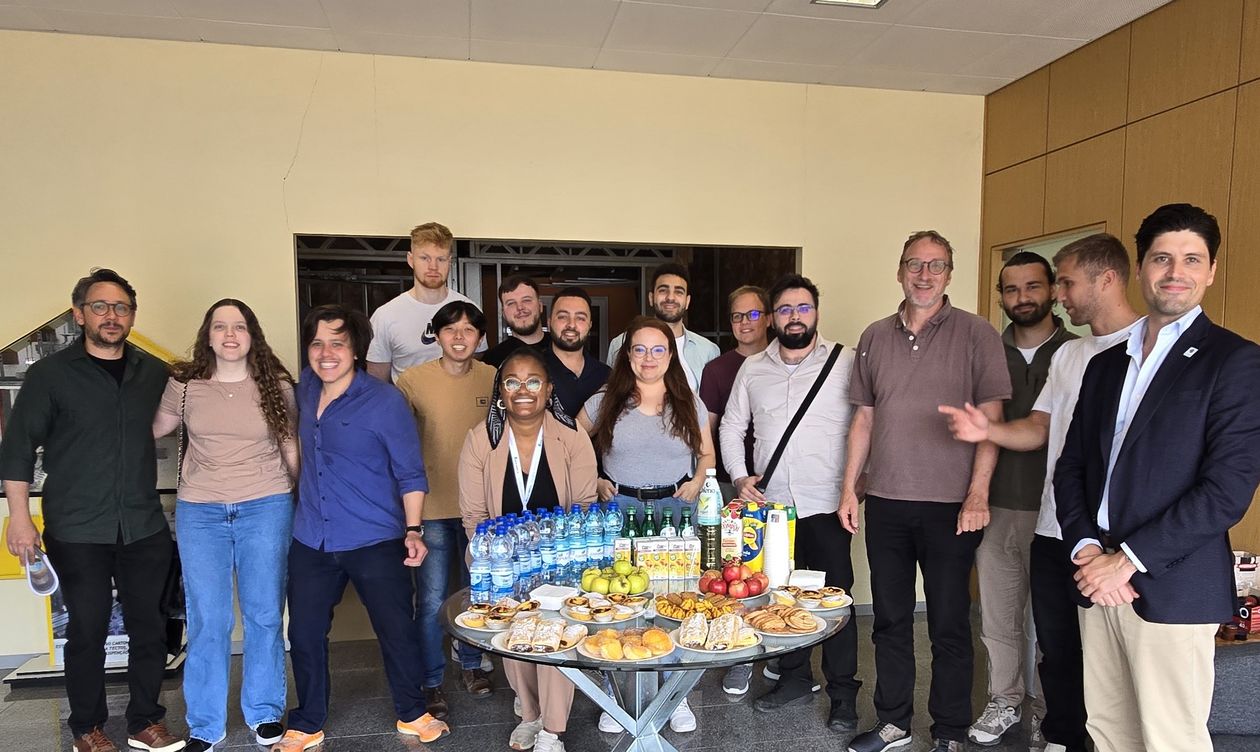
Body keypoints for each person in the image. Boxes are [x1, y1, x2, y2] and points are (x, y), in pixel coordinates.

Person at [1053, 204, 1260, 752]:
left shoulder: (1234, 362)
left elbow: (1226, 491)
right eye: (1162, 258)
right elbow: (1072, 466)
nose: (1176, 272)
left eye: (1192, 259)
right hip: (1095, 580)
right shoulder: (1106, 364)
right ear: (1140, 269)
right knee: (1109, 731)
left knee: (1170, 738)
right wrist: (1086, 551)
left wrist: (1125, 561)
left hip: (1171, 585)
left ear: (1211, 270)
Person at [940, 233, 1139, 752]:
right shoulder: (1066, 353)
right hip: (1039, 515)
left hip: (1097, 527)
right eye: (1011, 288)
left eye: (1049, 284)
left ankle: (1067, 725)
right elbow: (1038, 427)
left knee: (1078, 641)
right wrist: (984, 432)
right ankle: (1034, 716)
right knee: (1021, 624)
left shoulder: (1144, 346)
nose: (1025, 296)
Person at [840, 231, 1011, 752]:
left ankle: (950, 731)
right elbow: (864, 419)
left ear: (949, 274)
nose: (924, 274)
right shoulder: (874, 335)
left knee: (949, 625)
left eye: (936, 266)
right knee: (890, 621)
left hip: (950, 507)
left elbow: (993, 419)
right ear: (899, 271)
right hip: (887, 502)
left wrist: (978, 495)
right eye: (915, 264)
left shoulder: (977, 334)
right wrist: (850, 489)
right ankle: (893, 722)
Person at [1, 269, 183, 752]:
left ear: (132, 316)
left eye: (121, 307)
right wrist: (20, 520)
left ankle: (146, 720)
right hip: (77, 527)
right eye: (100, 307)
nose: (111, 316)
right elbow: (17, 449)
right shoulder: (50, 375)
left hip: (144, 524)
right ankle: (87, 727)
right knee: (88, 629)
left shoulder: (153, 374)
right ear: (80, 313)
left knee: (150, 627)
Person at [275, 304, 448, 751]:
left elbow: (410, 471)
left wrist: (413, 531)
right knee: (305, 633)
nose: (326, 352)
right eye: (317, 342)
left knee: (395, 628)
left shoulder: (385, 400)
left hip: (375, 536)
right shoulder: (305, 389)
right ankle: (308, 720)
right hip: (312, 536)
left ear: (356, 349)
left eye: (338, 342)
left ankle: (412, 712)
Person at [152, 300, 298, 752]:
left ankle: (264, 714)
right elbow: (152, 428)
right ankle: (205, 725)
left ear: (252, 334)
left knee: (263, 614)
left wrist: (297, 498)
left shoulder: (276, 385)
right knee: (208, 618)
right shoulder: (185, 385)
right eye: (220, 327)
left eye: (239, 326)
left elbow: (291, 447)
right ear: (208, 335)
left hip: (266, 505)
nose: (230, 334)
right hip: (201, 512)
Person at [720, 275, 863, 731]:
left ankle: (843, 694)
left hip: (828, 504)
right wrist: (740, 476)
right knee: (779, 597)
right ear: (772, 318)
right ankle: (794, 678)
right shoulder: (753, 368)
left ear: (816, 312)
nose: (794, 316)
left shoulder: (847, 362)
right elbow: (730, 425)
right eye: (784, 309)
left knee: (834, 603)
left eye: (803, 308)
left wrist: (855, 488)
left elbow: (868, 424)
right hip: (773, 510)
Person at [578, 315, 717, 734]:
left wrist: (696, 481)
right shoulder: (604, 400)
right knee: (620, 607)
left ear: (671, 355)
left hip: (675, 514)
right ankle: (618, 695)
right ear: (627, 355)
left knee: (674, 605)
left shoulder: (689, 403)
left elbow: (707, 456)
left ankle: (675, 696)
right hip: (620, 512)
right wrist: (595, 478)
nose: (649, 358)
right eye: (639, 349)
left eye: (659, 349)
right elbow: (571, 442)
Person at [959, 253, 1075, 747]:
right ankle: (1005, 700)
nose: (1022, 297)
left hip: (1062, 513)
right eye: (1011, 289)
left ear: (1052, 289)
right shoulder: (987, 351)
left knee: (1054, 626)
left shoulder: (1080, 350)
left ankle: (1050, 716)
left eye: (1032, 286)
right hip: (1000, 504)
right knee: (999, 617)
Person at [458, 348, 600, 752]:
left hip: (562, 559)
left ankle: (552, 730)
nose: (524, 390)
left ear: (549, 388)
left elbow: (585, 506)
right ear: (500, 392)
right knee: (513, 633)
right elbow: (473, 515)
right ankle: (530, 714)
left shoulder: (571, 436)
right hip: (502, 562)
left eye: (533, 381)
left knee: (554, 633)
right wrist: (495, 558)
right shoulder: (480, 439)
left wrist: (565, 559)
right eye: (513, 382)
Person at [395, 301, 497, 709]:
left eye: (469, 329)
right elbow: (398, 444)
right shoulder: (413, 381)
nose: (460, 336)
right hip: (432, 507)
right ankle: (431, 678)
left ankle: (471, 664)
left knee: (477, 593)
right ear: (437, 335)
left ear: (480, 337)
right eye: (451, 329)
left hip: (482, 508)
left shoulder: (494, 378)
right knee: (433, 600)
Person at [700, 285, 771, 698]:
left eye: (753, 315)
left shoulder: (785, 362)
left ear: (768, 318)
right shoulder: (718, 369)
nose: (745, 323)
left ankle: (779, 653)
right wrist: (710, 482)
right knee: (731, 573)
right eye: (738, 317)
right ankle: (740, 659)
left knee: (769, 572)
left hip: (774, 486)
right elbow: (708, 429)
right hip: (729, 487)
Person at [366, 221, 485, 382]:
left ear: (449, 261)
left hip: (457, 405)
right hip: (406, 406)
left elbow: (476, 367)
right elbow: (377, 383)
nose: (433, 267)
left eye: (441, 259)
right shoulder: (385, 316)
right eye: (425, 258)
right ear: (410, 259)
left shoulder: (469, 310)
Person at [605, 263, 719, 390]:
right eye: (663, 290)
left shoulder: (708, 351)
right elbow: (613, 394)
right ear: (651, 297)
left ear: (687, 302)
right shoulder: (620, 343)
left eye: (678, 292)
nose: (670, 297)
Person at [544, 286, 611, 418]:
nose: (571, 325)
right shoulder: (533, 371)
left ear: (590, 324)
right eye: (563, 317)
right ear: (549, 321)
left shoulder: (606, 376)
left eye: (580, 318)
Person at [482, 275, 547, 368]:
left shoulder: (563, 349)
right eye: (511, 303)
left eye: (526, 300)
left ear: (540, 306)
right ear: (503, 313)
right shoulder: (492, 361)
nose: (520, 307)